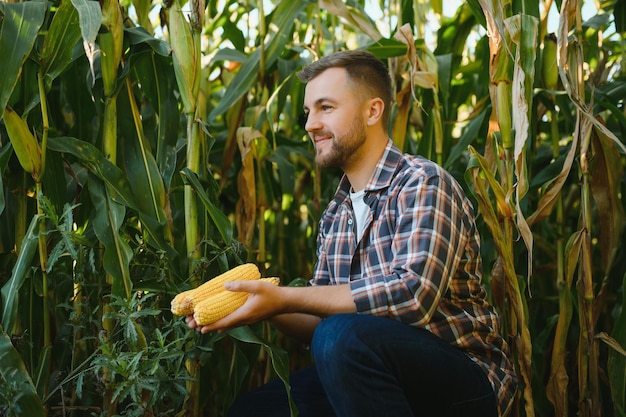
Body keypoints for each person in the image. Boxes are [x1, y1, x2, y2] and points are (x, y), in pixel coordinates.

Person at [186, 49, 518, 417]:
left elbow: (413, 295)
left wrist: (285, 297)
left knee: (340, 336)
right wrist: (262, 304)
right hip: (368, 374)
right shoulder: (336, 214)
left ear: (372, 111)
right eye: (308, 112)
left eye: (325, 108)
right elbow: (319, 318)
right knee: (255, 409)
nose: (310, 124)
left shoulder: (423, 184)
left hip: (463, 382)